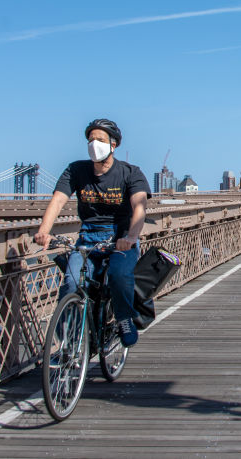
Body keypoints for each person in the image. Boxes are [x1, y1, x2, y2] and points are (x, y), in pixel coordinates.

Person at [33, 118, 151, 347]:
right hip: (88, 237)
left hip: (120, 239)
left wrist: (131, 237)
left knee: (118, 275)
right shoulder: (76, 170)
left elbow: (139, 206)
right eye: (90, 140)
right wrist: (44, 231)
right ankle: (72, 341)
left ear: (113, 145)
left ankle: (124, 318)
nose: (94, 144)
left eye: (100, 140)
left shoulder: (130, 173)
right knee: (71, 282)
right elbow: (58, 201)